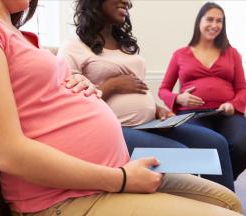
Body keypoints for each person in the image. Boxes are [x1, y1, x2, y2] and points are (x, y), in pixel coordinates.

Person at [0, 0, 243, 215]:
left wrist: (77, 85)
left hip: (119, 158)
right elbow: (8, 152)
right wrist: (122, 178)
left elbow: (41, 96)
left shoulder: (18, 34)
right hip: (65, 194)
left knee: (227, 197)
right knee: (186, 158)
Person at [58, 0, 235, 191]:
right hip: (114, 128)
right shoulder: (73, 48)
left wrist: (157, 109)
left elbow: (137, 90)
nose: (127, 2)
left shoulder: (124, 45)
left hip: (150, 124)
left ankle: (225, 208)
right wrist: (111, 86)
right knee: (182, 156)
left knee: (215, 143)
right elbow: (69, 105)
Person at [158, 2, 246, 181]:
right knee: (209, 145)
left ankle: (220, 186)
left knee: (242, 145)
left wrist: (233, 105)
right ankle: (216, 194)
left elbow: (242, 89)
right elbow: (163, 90)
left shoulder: (232, 53)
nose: (215, 25)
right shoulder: (180, 54)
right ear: (199, 21)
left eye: (220, 21)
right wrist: (179, 98)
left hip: (226, 115)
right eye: (210, 19)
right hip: (192, 115)